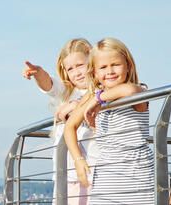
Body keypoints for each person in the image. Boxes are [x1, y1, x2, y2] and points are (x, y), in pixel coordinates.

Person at [64, 37, 154, 204]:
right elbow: (69, 127)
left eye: (116, 64)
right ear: (95, 73)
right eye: (103, 67)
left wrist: (100, 98)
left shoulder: (139, 92)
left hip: (136, 173)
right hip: (106, 173)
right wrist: (78, 160)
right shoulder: (92, 96)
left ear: (128, 65)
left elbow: (130, 89)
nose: (110, 71)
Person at [22, 38, 99, 205]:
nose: (77, 73)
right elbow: (49, 85)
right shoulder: (68, 91)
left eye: (80, 65)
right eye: (70, 69)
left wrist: (77, 106)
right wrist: (38, 73)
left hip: (92, 171)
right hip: (65, 173)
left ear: (92, 61)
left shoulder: (102, 90)